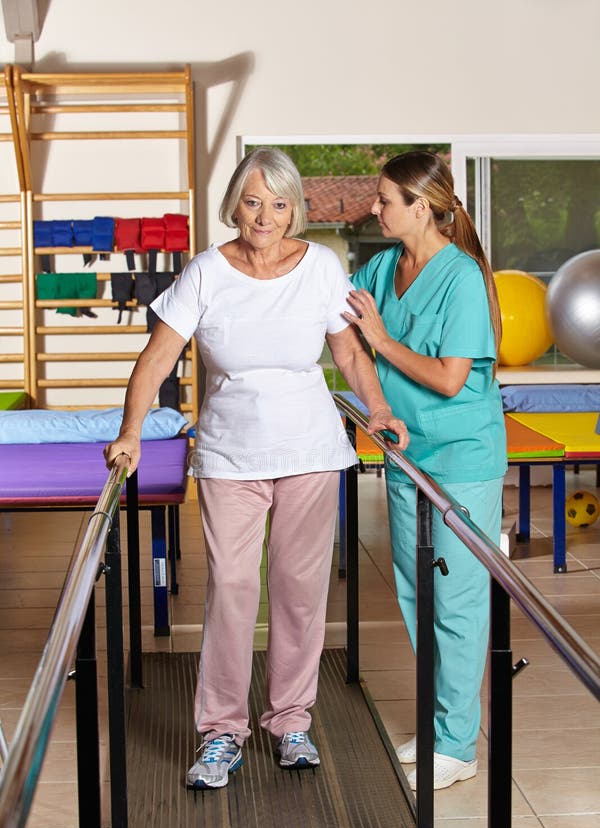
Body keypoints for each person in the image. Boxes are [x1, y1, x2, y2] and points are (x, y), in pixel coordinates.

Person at [104, 147, 408, 790]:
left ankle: (291, 720)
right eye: (252, 201)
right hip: (229, 454)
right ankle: (221, 732)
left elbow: (349, 356)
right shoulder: (207, 272)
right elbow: (158, 357)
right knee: (234, 590)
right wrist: (130, 431)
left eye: (277, 203)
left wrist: (377, 409)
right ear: (234, 206)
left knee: (300, 593)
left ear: (295, 207)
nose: (264, 216)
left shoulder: (321, 267)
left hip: (310, 451)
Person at [344, 150, 506, 791]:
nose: (375, 209)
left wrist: (381, 342)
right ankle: (441, 726)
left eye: (385, 200)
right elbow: (337, 322)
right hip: (406, 456)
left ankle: (460, 744)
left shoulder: (462, 276)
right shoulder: (383, 266)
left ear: (422, 207)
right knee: (420, 596)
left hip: (461, 458)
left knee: (459, 602)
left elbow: (448, 377)